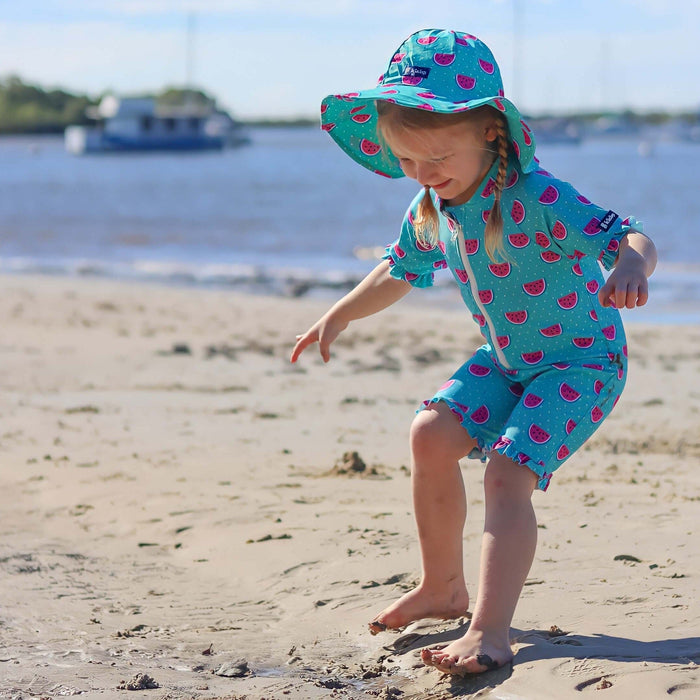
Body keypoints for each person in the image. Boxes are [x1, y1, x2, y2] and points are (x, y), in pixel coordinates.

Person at [290, 28, 657, 677]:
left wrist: (631, 266)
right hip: (509, 359)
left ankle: (489, 630)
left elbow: (628, 234)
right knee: (430, 434)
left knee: (506, 471)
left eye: (434, 158)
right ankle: (441, 589)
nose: (423, 176)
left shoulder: (539, 197)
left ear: (490, 131)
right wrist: (338, 313)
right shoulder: (431, 206)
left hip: (582, 362)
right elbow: (399, 268)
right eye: (406, 162)